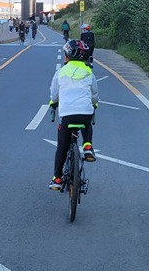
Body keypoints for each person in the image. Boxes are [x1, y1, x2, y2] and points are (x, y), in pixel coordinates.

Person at [48, 39, 98, 190]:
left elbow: (54, 94)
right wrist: (94, 104)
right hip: (84, 114)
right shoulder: (89, 72)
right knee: (87, 119)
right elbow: (94, 95)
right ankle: (88, 145)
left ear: (68, 57)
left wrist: (53, 103)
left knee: (62, 147)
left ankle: (57, 179)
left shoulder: (61, 72)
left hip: (67, 115)